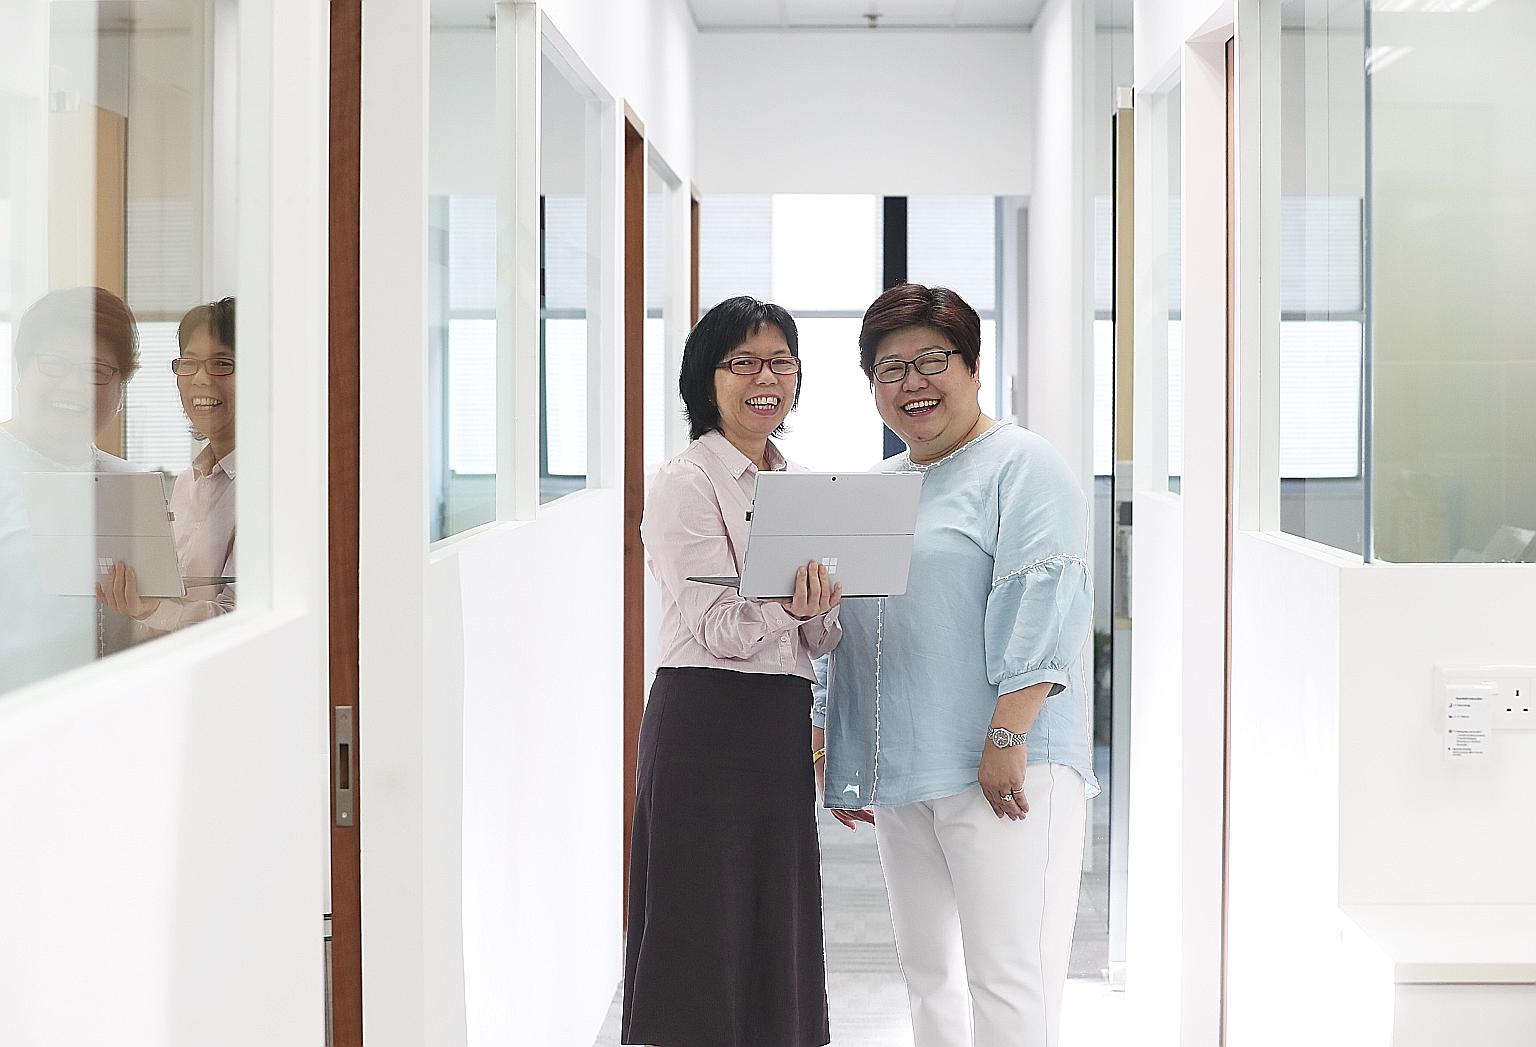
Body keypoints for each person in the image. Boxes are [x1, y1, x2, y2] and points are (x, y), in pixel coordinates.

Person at [812, 283, 1095, 1047]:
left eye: (931, 360)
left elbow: (1046, 598)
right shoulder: (877, 489)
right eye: (889, 369)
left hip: (1006, 766)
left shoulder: (1023, 464)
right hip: (907, 772)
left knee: (1007, 975)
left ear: (972, 366)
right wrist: (831, 740)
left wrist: (1006, 737)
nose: (912, 384)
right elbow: (855, 626)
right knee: (927, 974)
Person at [624, 296, 843, 1047]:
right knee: (701, 923)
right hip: (704, 719)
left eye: (781, 361)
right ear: (704, 378)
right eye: (743, 360)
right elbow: (716, 626)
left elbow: (812, 639)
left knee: (771, 916)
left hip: (776, 721)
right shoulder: (685, 481)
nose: (766, 376)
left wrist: (816, 606)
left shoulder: (800, 484)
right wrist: (790, 602)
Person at [0, 287, 142, 695]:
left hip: (108, 723)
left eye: (96, 370)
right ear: (22, 371)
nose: (73, 385)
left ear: (120, 390)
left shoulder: (130, 485)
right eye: (55, 364)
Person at [98, 297, 237, 634]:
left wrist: (150, 610)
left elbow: (242, 619)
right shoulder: (188, 481)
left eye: (221, 363)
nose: (201, 379)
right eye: (188, 363)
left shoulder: (271, 485)